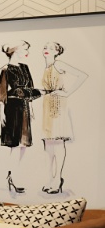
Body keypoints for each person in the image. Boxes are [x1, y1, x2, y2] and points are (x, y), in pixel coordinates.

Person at [0, 40, 46, 193]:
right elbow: (1, 93)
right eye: (25, 49)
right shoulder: (4, 70)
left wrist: (30, 107)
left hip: (24, 107)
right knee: (14, 144)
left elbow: (30, 89)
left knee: (23, 144)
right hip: (12, 108)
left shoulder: (25, 67)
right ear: (16, 50)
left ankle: (16, 175)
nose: (28, 52)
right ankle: (11, 176)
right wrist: (1, 113)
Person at [39, 41, 88, 194]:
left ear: (57, 52)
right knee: (48, 146)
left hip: (58, 106)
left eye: (52, 48)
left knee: (58, 143)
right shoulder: (46, 67)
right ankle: (50, 179)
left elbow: (82, 75)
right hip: (47, 105)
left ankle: (58, 179)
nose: (47, 50)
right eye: (45, 47)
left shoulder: (58, 64)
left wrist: (67, 92)